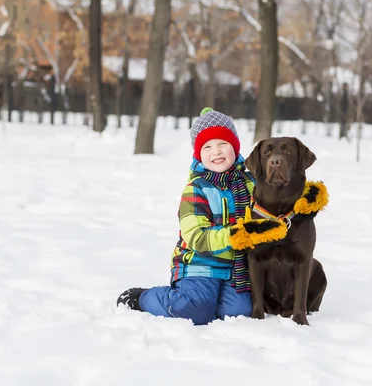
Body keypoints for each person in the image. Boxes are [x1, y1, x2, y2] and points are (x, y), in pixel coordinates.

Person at [117, 108, 288, 325]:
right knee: (195, 310)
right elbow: (196, 237)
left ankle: (210, 301)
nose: (216, 152)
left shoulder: (251, 183)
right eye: (207, 147)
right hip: (198, 265)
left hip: (235, 268)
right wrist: (237, 236)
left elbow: (279, 203)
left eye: (222, 144)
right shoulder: (196, 189)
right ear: (199, 154)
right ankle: (145, 298)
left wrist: (307, 200)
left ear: (235, 146)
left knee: (241, 311)